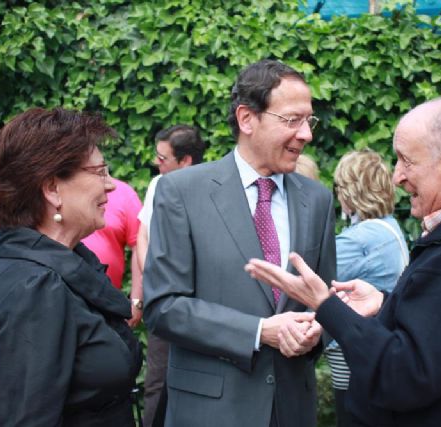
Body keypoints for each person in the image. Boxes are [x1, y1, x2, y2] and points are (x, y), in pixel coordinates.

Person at [245, 97, 441, 426]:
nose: (397, 177)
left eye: (406, 161)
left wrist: (326, 306)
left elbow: (404, 376)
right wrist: (385, 303)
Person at [143, 59, 336, 427]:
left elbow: (322, 298)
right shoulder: (182, 192)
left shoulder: (318, 200)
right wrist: (261, 332)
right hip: (211, 412)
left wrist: (316, 332)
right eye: (292, 120)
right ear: (247, 119)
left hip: (291, 408)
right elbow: (163, 307)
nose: (306, 135)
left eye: (308, 120)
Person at [0, 108, 142, 426]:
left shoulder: (64, 267)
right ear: (52, 189)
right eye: (99, 171)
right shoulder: (33, 290)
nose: (111, 186)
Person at [325, 149, 408, 427]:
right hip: (377, 344)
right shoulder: (390, 227)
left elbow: (316, 279)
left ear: (350, 191)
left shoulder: (360, 238)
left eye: (339, 187)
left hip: (350, 355)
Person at [137, 124, 206, 427]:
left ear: (186, 161)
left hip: (196, 304)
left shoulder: (208, 191)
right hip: (161, 301)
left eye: (163, 158)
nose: (157, 163)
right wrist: (150, 279)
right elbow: (142, 233)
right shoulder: (156, 185)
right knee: (156, 382)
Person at [82, 177, 143, 328]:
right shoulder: (61, 190)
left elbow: (140, 245)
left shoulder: (124, 193)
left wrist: (136, 300)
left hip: (107, 301)